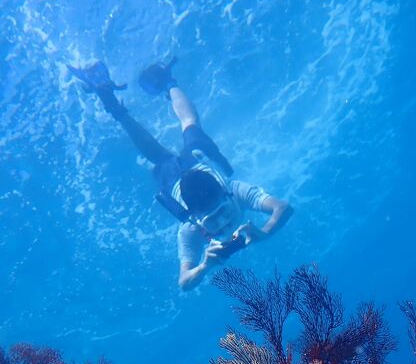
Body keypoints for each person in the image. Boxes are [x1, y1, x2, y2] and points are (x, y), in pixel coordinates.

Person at [68, 60, 293, 290]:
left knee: (181, 131)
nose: (225, 223)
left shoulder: (235, 192)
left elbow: (282, 207)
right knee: (176, 136)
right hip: (184, 172)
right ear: (197, 219)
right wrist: (204, 265)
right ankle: (137, 95)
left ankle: (163, 84)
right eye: (213, 219)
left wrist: (265, 233)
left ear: (227, 194)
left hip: (196, 162)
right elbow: (184, 283)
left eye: (222, 212)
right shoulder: (191, 229)